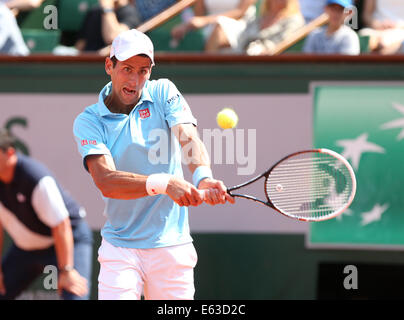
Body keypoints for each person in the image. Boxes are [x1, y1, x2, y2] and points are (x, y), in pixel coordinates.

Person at [73, 29, 234, 300]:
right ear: (109, 65)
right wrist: (165, 184)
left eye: (143, 71)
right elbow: (106, 180)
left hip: (172, 248)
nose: (135, 80)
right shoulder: (89, 121)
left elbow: (187, 136)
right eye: (127, 69)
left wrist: (203, 177)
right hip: (120, 250)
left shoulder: (162, 91)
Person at [0, 130, 93, 300]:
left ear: (10, 152)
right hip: (25, 250)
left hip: (67, 240)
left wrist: (66, 270)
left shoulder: (35, 178)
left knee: (75, 295)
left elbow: (61, 224)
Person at [205, 0, 305, 55]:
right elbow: (244, 39)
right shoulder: (258, 19)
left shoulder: (294, 20)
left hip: (269, 64)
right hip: (245, 61)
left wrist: (261, 51)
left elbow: (283, 43)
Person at [170, 0, 257, 51]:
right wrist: (186, 26)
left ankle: (205, 74)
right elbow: (198, 16)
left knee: (218, 30)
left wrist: (205, 21)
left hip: (243, 28)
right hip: (209, 27)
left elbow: (239, 12)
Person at [75, 0, 141, 54]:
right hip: (87, 63)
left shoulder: (131, 13)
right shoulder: (94, 12)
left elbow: (113, 39)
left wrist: (107, 8)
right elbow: (80, 45)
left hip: (111, 64)